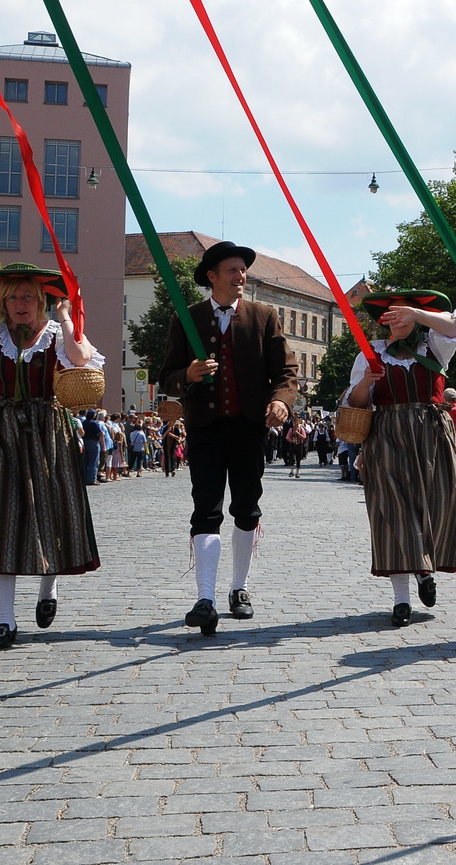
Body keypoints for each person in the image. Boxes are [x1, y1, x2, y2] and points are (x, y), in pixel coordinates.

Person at [0, 265, 103, 648]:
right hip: (2, 429)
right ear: (2, 302)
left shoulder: (57, 332)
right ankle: (5, 619)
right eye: (11, 296)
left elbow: (80, 360)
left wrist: (64, 317)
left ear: (40, 298)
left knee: (53, 510)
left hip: (48, 427)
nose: (20, 304)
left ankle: (49, 585)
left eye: (27, 295)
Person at [158, 240, 296, 635]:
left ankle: (239, 587)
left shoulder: (263, 316)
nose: (241, 276)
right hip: (205, 428)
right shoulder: (188, 318)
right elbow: (165, 374)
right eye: (233, 270)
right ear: (212, 277)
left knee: (247, 508)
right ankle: (205, 598)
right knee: (206, 509)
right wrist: (187, 375)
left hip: (249, 427)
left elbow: (286, 371)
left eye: (243, 270)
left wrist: (281, 401)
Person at [342, 290, 456, 626]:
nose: (394, 319)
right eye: (389, 314)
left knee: (436, 507)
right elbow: (356, 403)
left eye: (399, 313)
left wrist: (416, 313)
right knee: (393, 514)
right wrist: (365, 383)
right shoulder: (371, 354)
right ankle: (401, 600)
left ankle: (425, 571)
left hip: (431, 436)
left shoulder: (435, 344)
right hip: (387, 435)